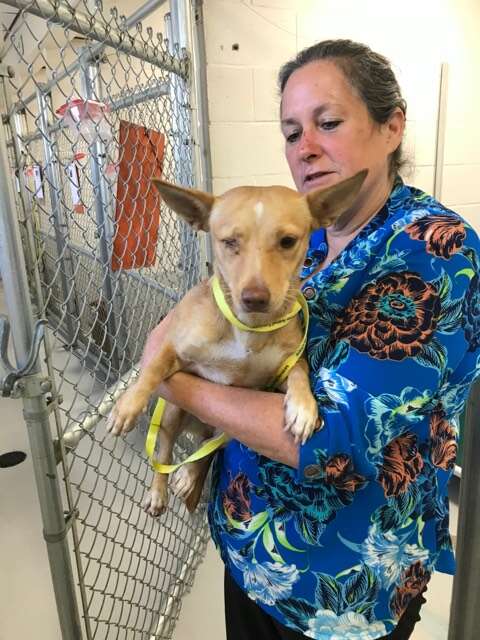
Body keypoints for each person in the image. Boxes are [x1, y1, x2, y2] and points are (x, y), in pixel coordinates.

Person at [142, 40, 480, 639]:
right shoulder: (305, 236)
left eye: (328, 122)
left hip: (337, 588)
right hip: (252, 554)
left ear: (391, 126)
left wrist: (172, 379)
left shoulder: (435, 249)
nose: (307, 148)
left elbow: (333, 441)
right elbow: (216, 311)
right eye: (292, 132)